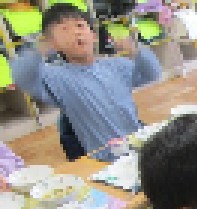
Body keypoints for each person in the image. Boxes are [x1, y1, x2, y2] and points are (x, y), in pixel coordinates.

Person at [10, 4, 162, 157]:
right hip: (105, 158)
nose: (76, 32)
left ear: (93, 36)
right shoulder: (55, 77)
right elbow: (22, 76)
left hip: (139, 144)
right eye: (65, 29)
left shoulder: (116, 65)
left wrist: (136, 49)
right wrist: (38, 50)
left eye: (80, 26)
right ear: (53, 44)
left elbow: (152, 74)